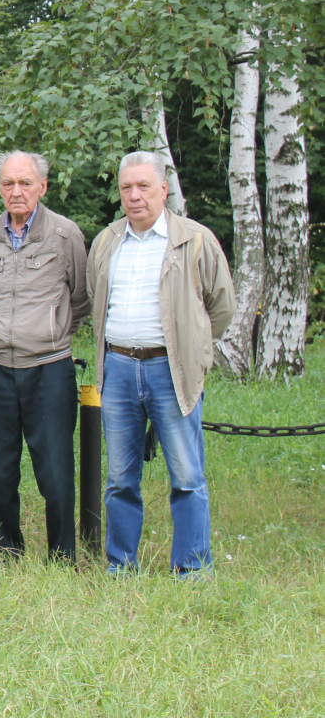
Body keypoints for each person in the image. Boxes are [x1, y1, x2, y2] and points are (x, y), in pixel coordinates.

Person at [87, 151, 234, 577]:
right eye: (126, 188)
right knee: (119, 478)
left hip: (171, 371)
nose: (135, 196)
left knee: (187, 475)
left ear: (163, 189)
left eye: (144, 186)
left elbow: (220, 308)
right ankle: (120, 566)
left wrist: (195, 350)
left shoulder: (194, 239)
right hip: (117, 370)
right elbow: (97, 300)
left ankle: (191, 569)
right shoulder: (108, 241)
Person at [0, 151, 90, 562]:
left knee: (55, 472)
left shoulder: (65, 234)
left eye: (24, 183)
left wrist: (50, 334)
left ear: (42, 186)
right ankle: (6, 551)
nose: (16, 191)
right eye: (8, 183)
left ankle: (62, 554)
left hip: (48, 368)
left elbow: (81, 299)